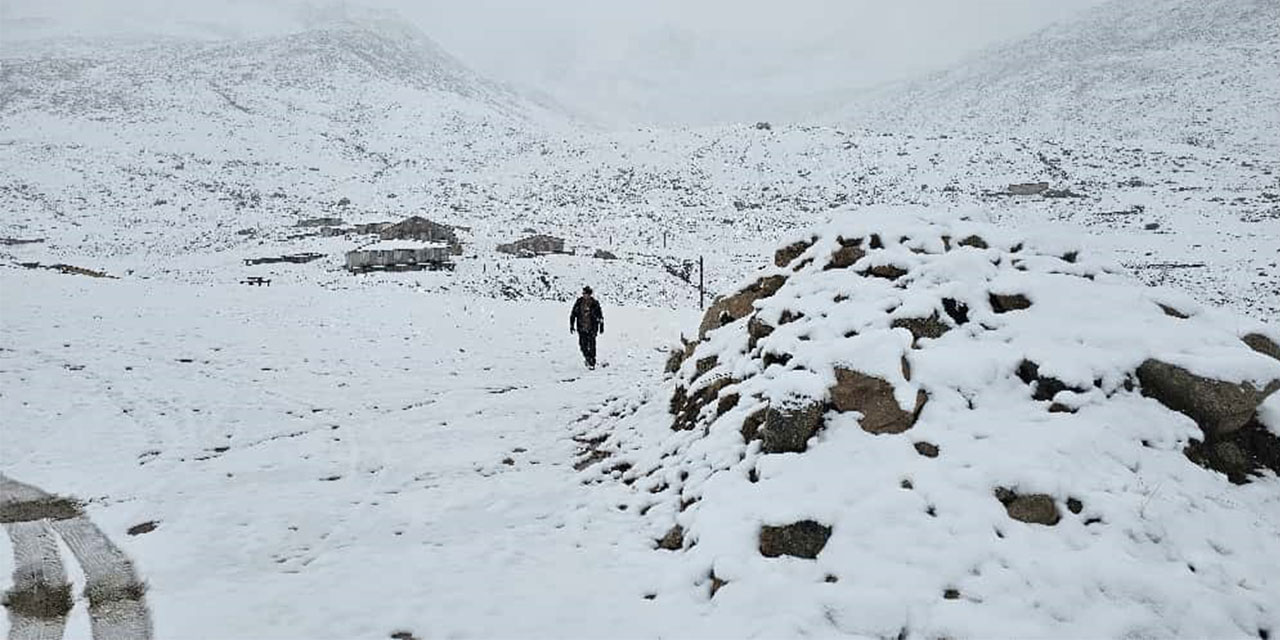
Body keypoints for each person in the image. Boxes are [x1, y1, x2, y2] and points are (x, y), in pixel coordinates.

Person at [570, 286, 604, 368]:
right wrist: (571, 325)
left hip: (592, 327)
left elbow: (600, 316)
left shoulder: (595, 303)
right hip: (581, 327)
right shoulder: (579, 302)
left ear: (589, 294)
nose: (584, 295)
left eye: (586, 293)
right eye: (583, 293)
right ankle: (588, 358)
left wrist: (601, 327)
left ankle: (592, 362)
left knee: (592, 345)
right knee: (583, 345)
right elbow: (573, 314)